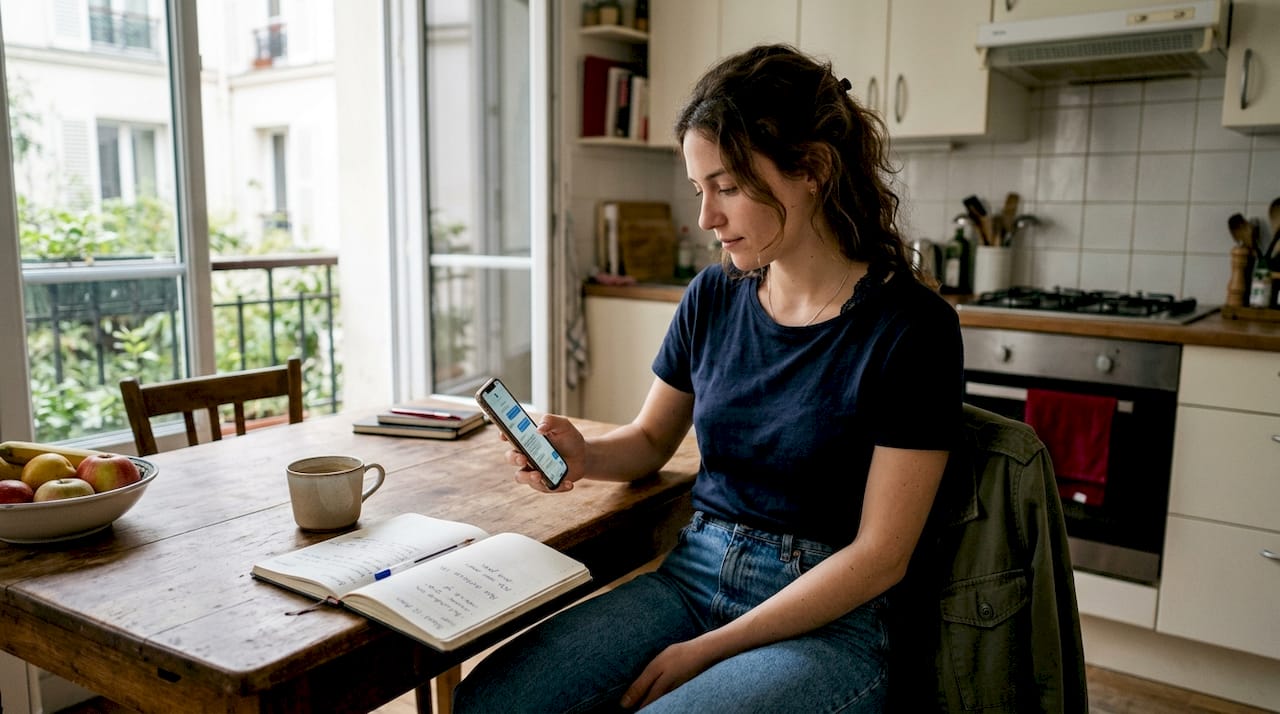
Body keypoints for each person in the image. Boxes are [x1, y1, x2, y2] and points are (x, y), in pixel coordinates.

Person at [453, 43, 963, 713]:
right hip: (693, 578)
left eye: (725, 186)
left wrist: (710, 650)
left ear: (811, 169)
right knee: (492, 701)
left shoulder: (911, 327)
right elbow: (649, 441)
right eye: (700, 190)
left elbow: (879, 557)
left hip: (830, 623)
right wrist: (583, 453)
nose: (705, 218)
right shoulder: (714, 296)